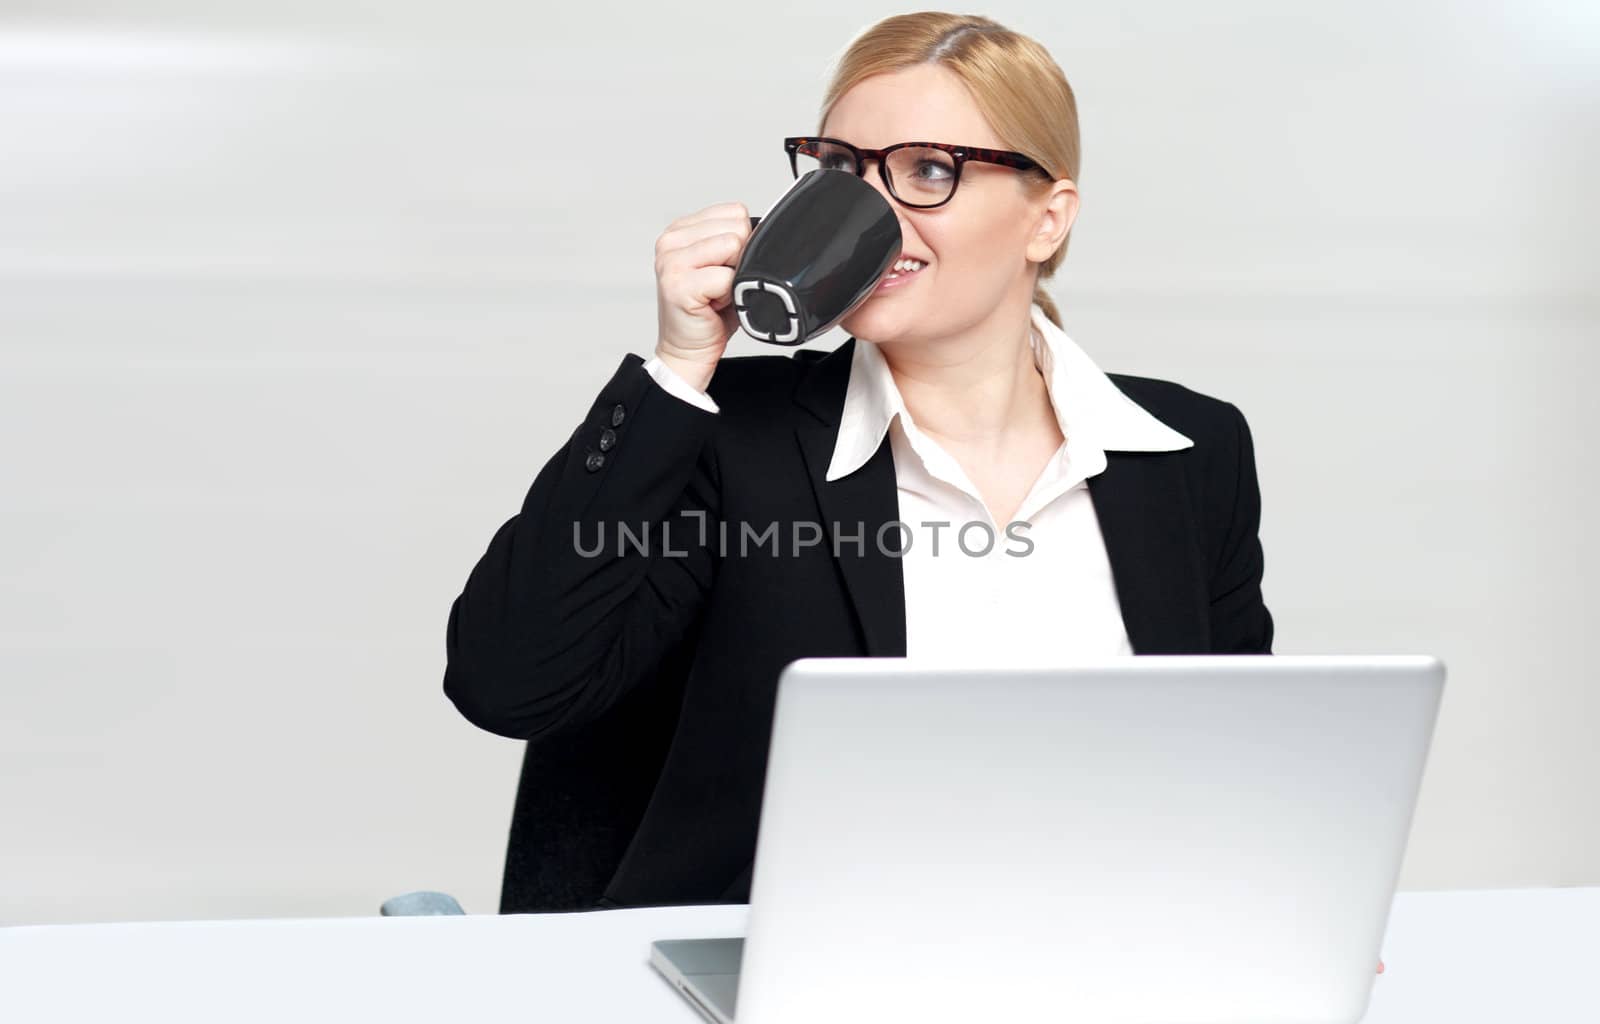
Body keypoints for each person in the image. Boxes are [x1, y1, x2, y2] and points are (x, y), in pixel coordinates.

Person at [442, 12, 1274, 912]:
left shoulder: (1188, 451)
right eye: (841, 171)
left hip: (1096, 961)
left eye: (927, 171)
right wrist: (678, 369)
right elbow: (509, 683)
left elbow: (1228, 770)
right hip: (776, 996)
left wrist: (1280, 910)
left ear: (1047, 218)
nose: (868, 212)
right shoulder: (726, 437)